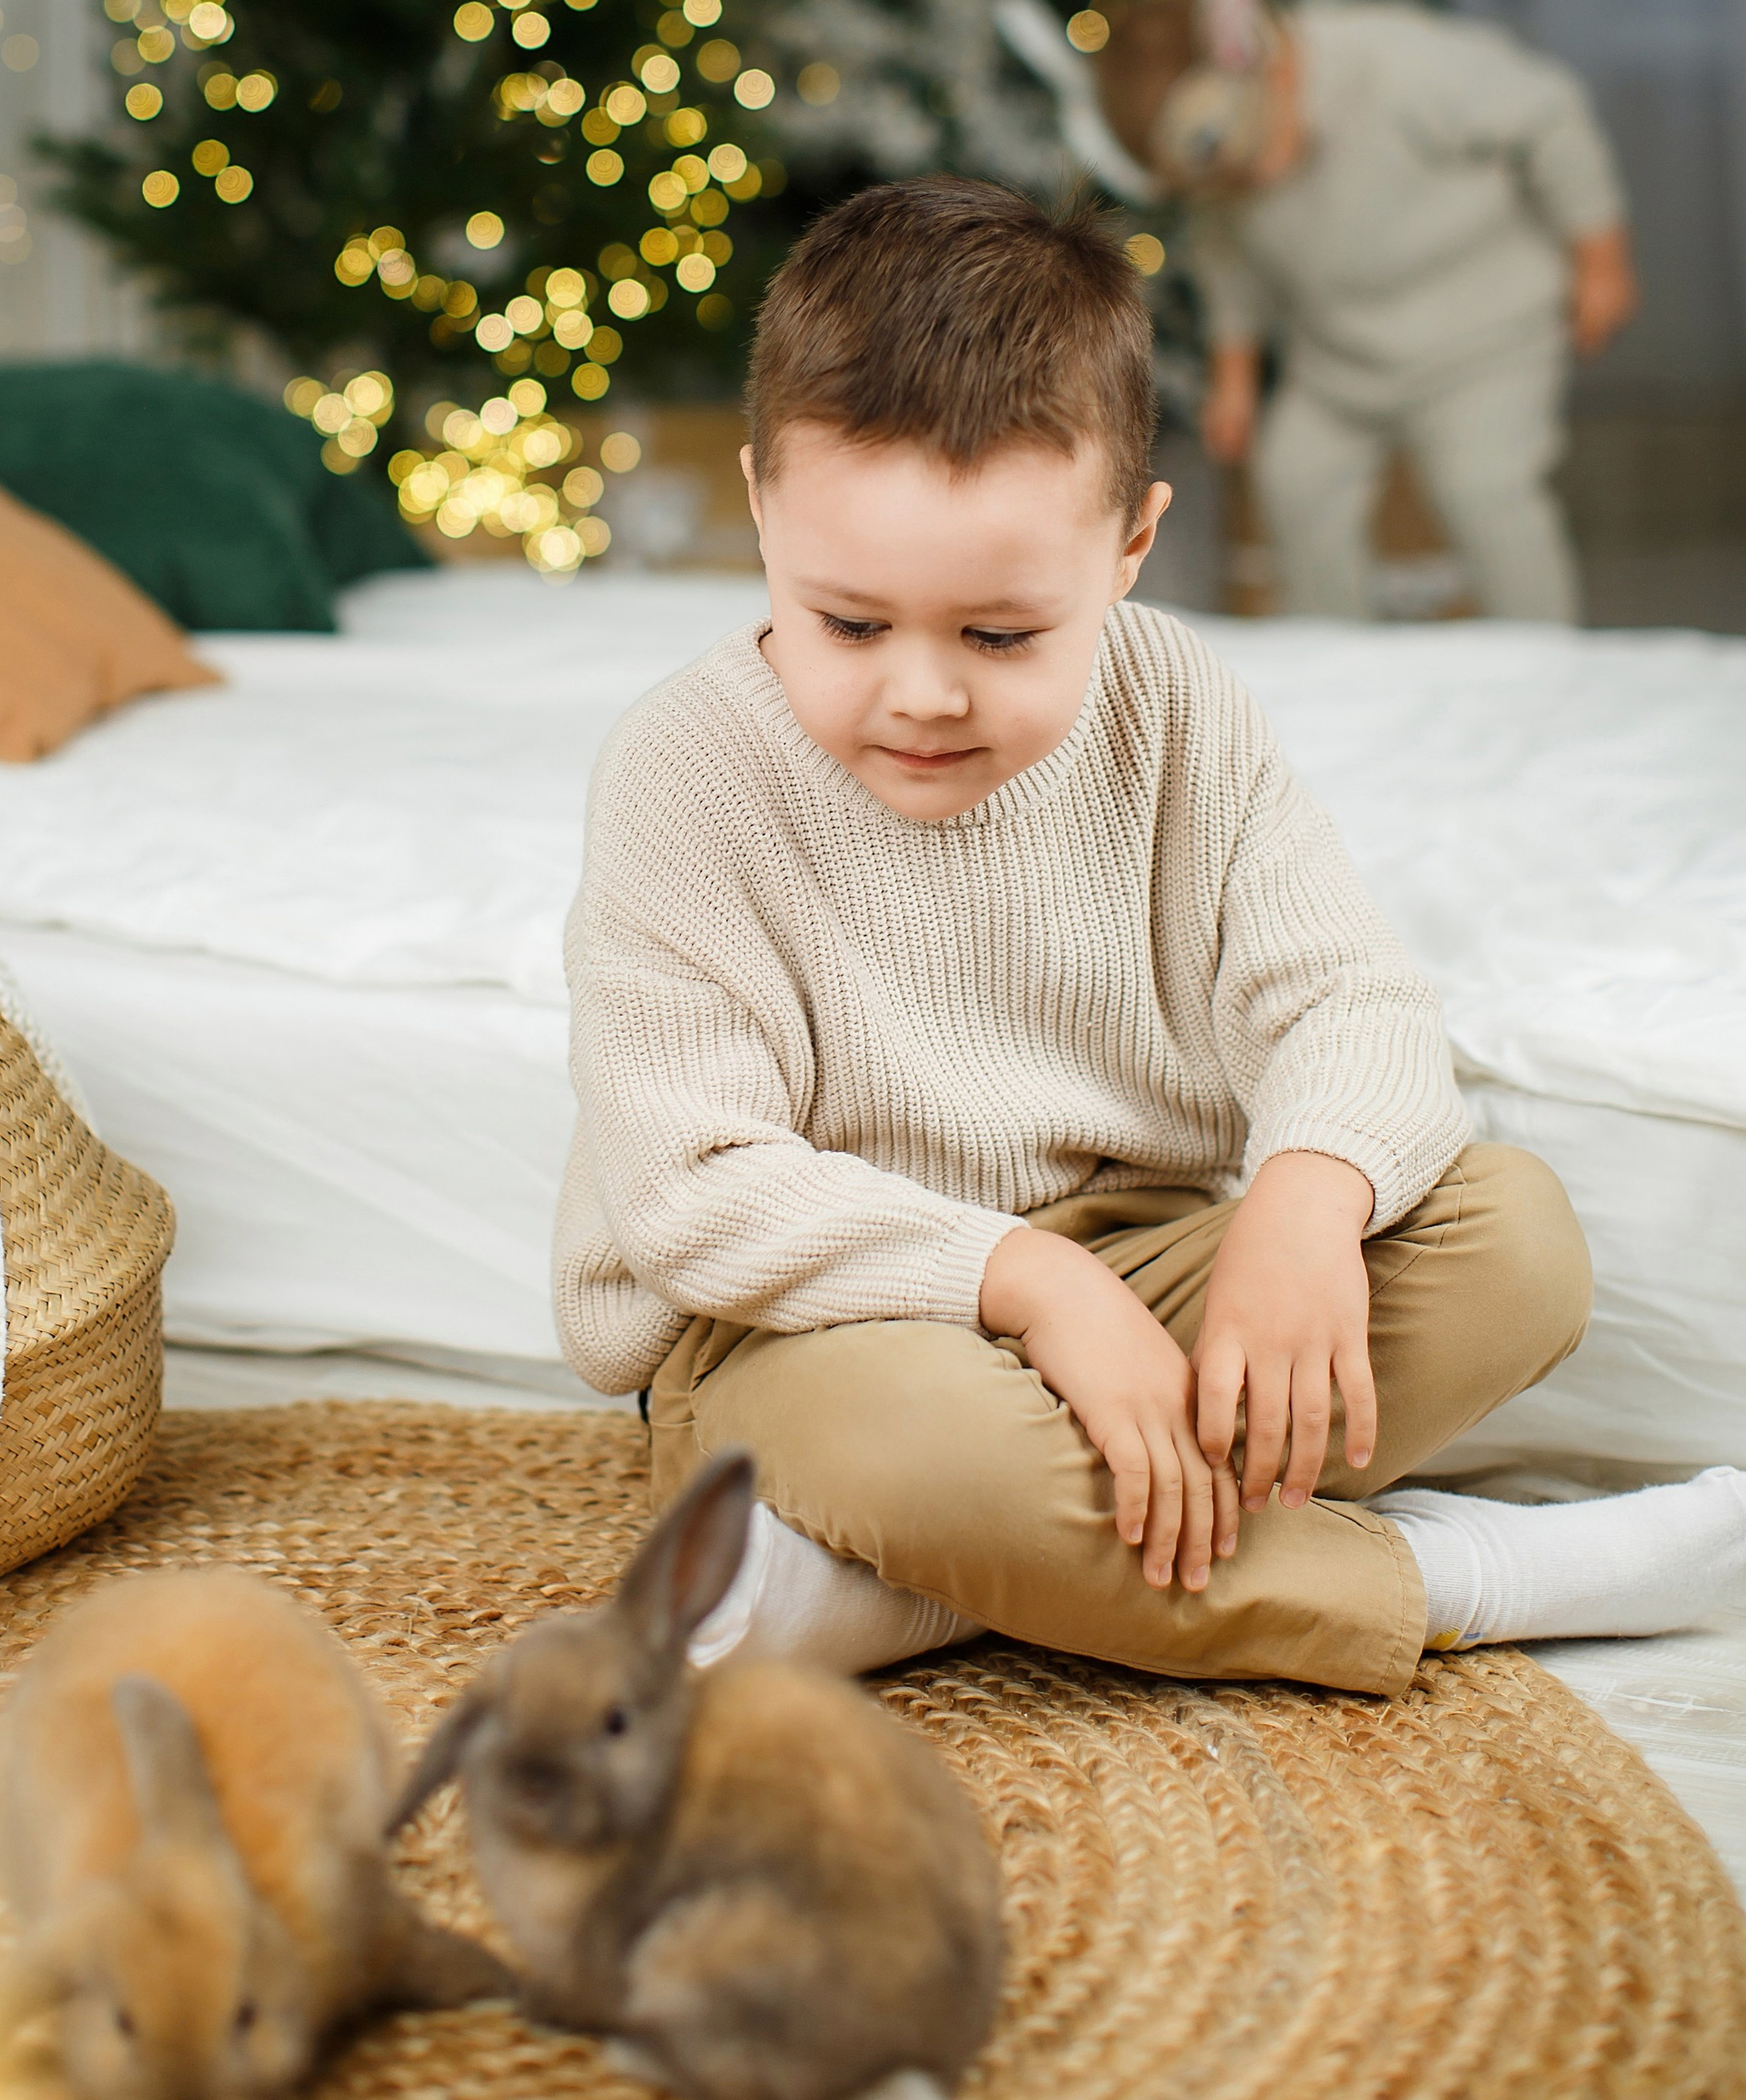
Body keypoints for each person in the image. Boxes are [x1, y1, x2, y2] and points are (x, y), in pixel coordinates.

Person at [554, 178, 1744, 1692]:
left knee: (1514, 1242)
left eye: (999, 635)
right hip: (813, 1329)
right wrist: (1039, 1293)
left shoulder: (1176, 703)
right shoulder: (685, 769)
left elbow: (1353, 998)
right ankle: (1453, 1577)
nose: (921, 693)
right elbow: (691, 1194)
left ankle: (909, 1590)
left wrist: (1303, 1209)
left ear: (1130, 547)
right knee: (915, 1444)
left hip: (1137, 1263)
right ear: (763, 511)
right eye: (847, 624)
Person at [1093, 0, 1639, 622]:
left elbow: (1548, 113)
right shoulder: (1225, 180)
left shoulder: (1392, 65)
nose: (1256, 180)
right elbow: (1231, 266)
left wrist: (1600, 256)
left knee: (1483, 486)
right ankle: (1334, 646)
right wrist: (1233, 378)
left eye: (1259, 148)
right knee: (1295, 479)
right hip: (1343, 360)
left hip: (1486, 334)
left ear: (1278, 65)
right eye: (1230, 179)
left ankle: (1545, 648)